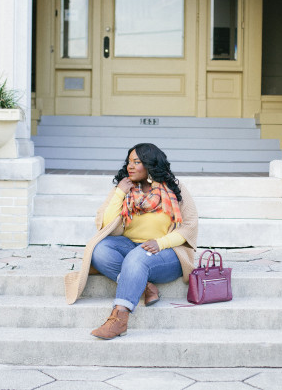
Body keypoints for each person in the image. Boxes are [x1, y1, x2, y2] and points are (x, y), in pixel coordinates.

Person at [63, 143, 198, 340]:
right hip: (131, 246)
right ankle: (144, 286)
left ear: (151, 164)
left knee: (138, 257)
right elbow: (106, 225)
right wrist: (119, 193)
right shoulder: (126, 188)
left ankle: (119, 318)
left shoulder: (174, 188)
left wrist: (161, 243)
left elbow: (189, 226)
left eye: (137, 162)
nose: (130, 166)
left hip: (168, 252)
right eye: (129, 162)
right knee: (99, 249)